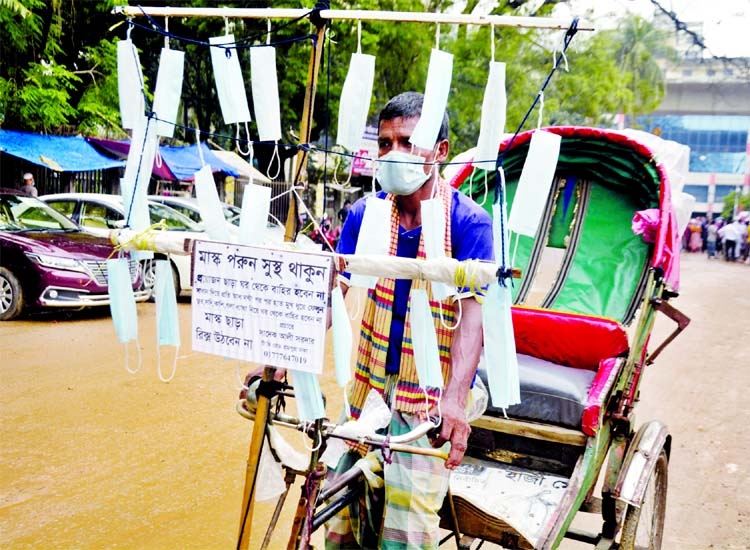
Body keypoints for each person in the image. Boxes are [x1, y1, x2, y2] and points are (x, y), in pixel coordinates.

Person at [327, 91, 494, 549]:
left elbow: (472, 318)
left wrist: (455, 401)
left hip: (428, 396)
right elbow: (335, 293)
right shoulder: (365, 215)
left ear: (439, 152)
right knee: (332, 510)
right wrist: (280, 358)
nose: (393, 153)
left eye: (407, 141)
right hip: (367, 385)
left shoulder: (467, 221)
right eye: (384, 143)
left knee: (407, 535)